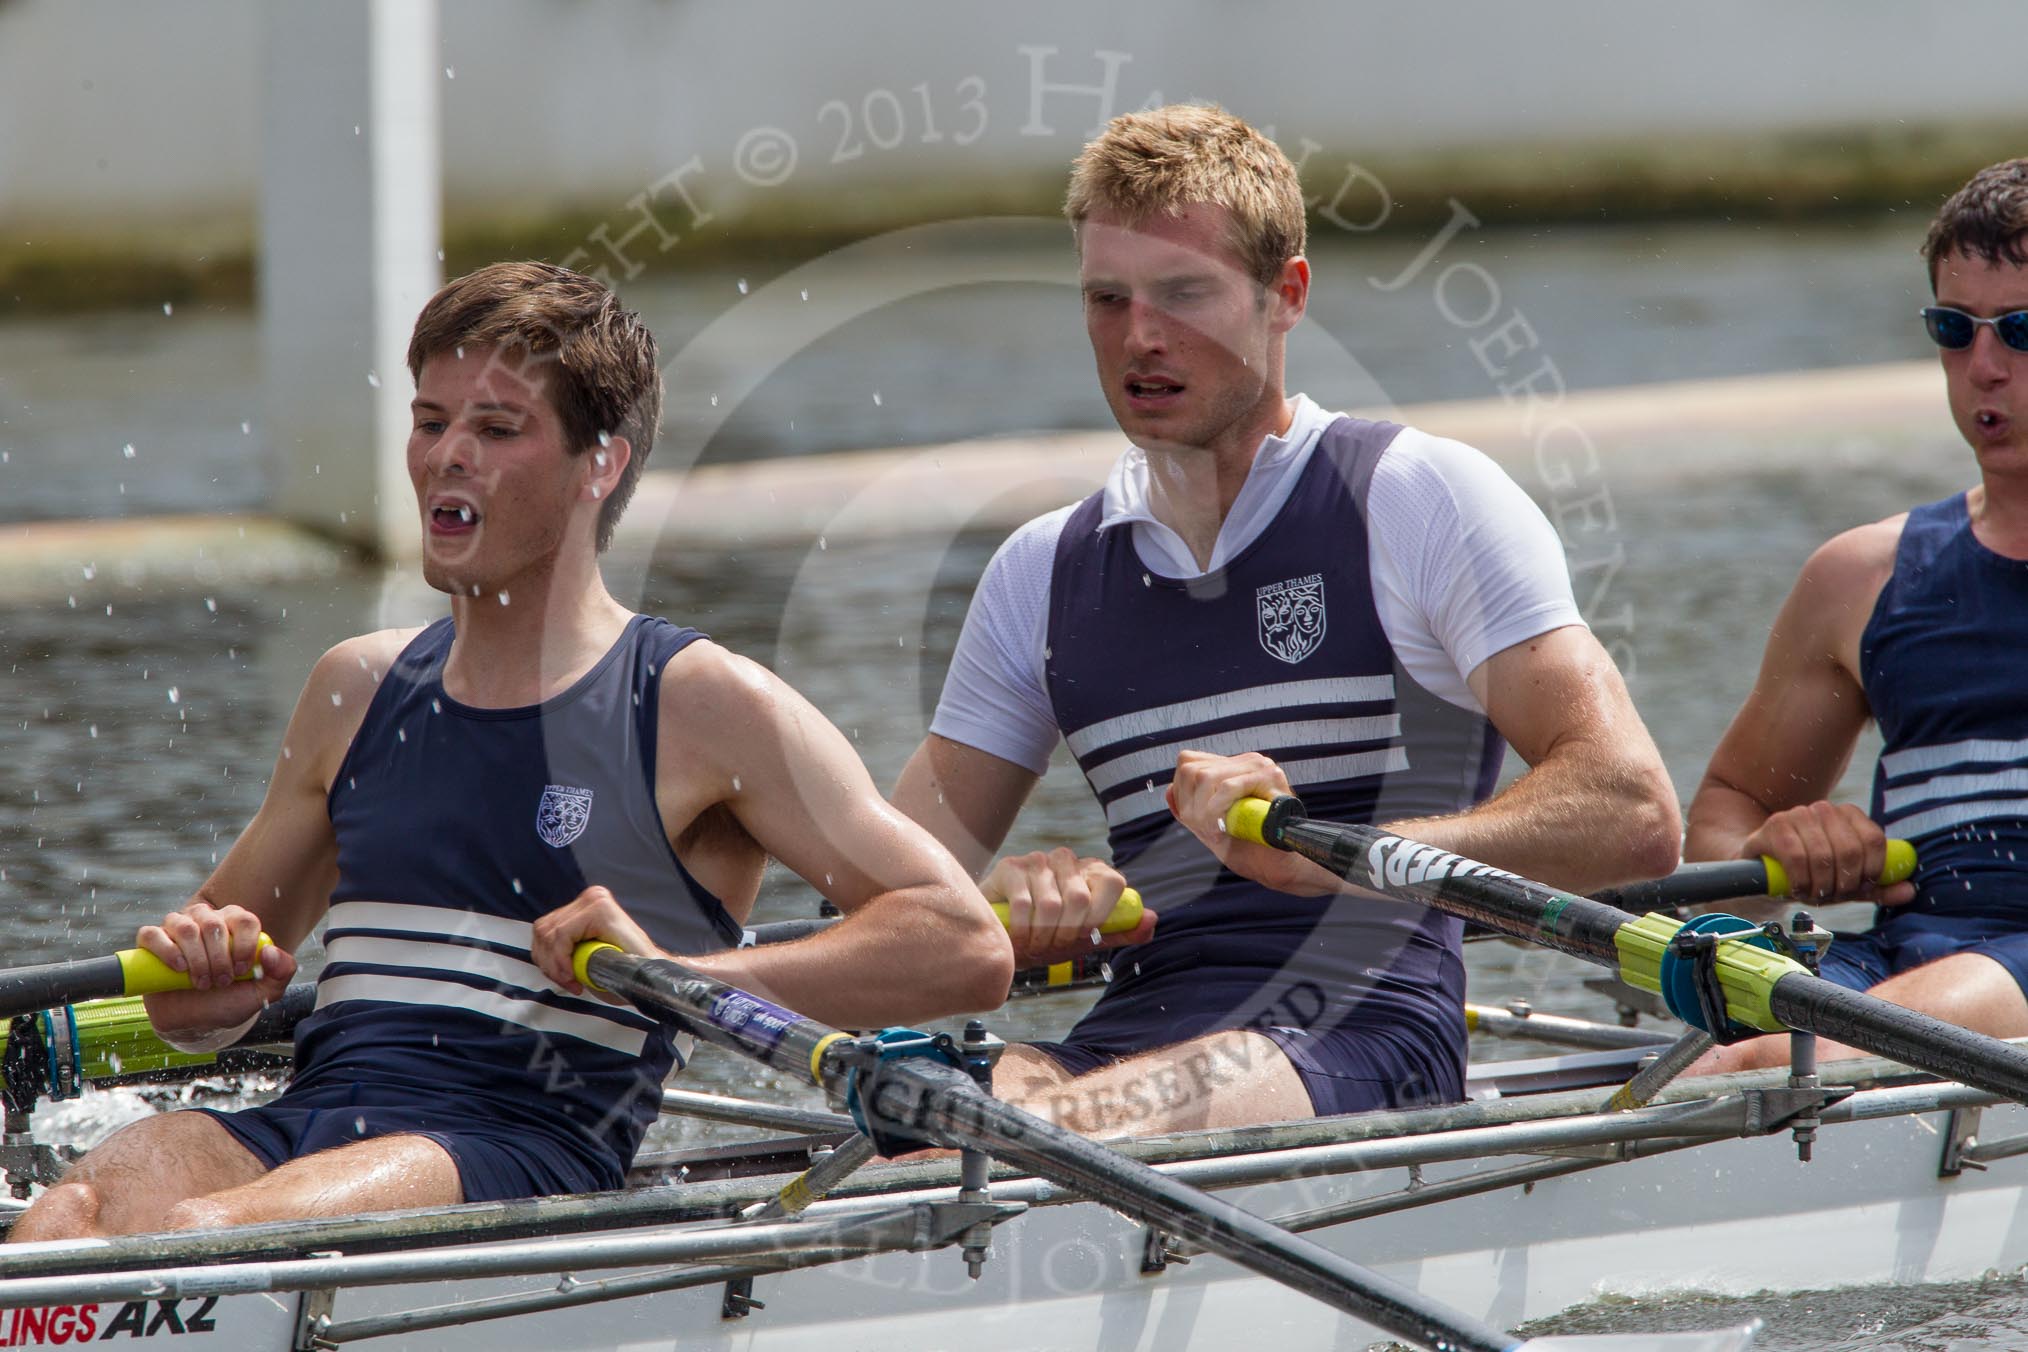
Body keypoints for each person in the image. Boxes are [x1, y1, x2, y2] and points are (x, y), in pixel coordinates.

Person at [11, 262, 1012, 1240]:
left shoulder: (700, 703)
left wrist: (678, 970)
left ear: (601, 464)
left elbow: (964, 942)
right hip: (301, 1114)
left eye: (497, 429)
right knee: (75, 1213)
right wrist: (207, 981)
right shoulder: (353, 688)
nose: (450, 454)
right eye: (431, 419)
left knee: (201, 1231)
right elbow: (198, 1008)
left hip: (513, 1147)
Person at [891, 105, 1680, 1137]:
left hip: (1367, 1034)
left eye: (1184, 295)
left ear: (1285, 296)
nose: (1140, 336)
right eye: (1107, 297)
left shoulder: (1413, 496)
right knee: (913, 1117)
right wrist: (1000, 900)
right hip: (1124, 1037)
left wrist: (1338, 851)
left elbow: (1634, 811)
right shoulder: (1041, 570)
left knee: (1042, 1133)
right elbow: (881, 896)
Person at [1684, 159, 2028, 1074]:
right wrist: (1776, 845)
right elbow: (1724, 816)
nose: (1984, 366)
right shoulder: (1861, 579)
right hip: (1910, 968)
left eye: (2023, 330)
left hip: (1992, 989)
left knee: (1776, 1062)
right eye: (1955, 330)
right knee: (1721, 1061)